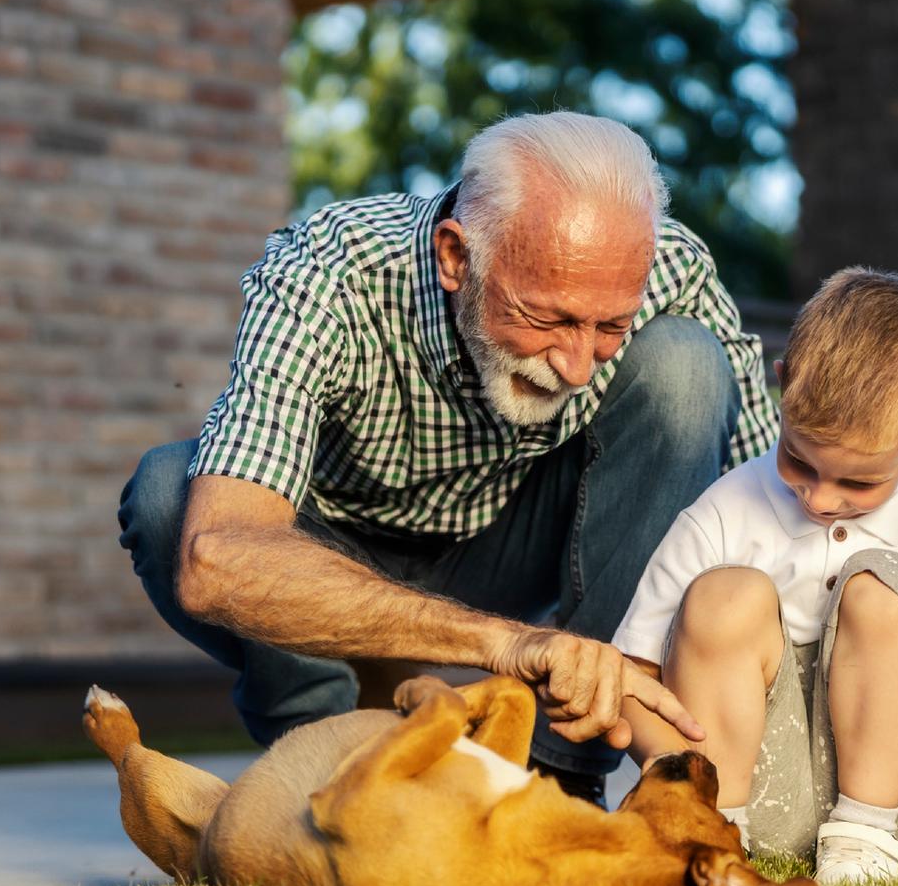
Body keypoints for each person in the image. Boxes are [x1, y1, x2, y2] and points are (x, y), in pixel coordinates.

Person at [117, 111, 781, 805]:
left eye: (609, 325)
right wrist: (502, 644)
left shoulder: (671, 268)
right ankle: (328, 748)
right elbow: (217, 558)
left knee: (686, 369)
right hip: (329, 548)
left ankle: (557, 774)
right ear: (455, 257)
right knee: (169, 496)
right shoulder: (329, 274)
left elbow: (766, 509)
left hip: (516, 548)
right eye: (548, 318)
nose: (581, 366)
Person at [612, 266, 898, 883]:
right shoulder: (722, 513)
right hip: (739, 786)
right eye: (798, 461)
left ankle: (859, 845)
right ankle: (720, 830)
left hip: (880, 800)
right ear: (782, 389)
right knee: (726, 593)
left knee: (884, 585)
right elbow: (635, 674)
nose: (821, 499)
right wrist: (676, 787)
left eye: (859, 482)